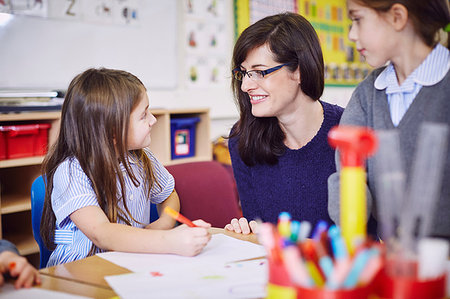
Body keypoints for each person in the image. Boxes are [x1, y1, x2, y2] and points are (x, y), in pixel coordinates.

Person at [40, 68, 211, 267]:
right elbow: (101, 233)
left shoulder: (142, 157)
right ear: (112, 131)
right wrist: (170, 241)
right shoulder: (71, 172)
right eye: (143, 115)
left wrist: (165, 222)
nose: (153, 120)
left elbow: (168, 194)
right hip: (80, 269)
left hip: (131, 261)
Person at [328, 0, 450, 240]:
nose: (352, 35)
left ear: (397, 17)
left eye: (358, 19)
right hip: (396, 257)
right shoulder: (367, 94)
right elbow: (349, 175)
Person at [224, 12, 344, 235]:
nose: (245, 86)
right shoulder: (243, 138)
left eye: (259, 72)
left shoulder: (349, 132)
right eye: (244, 74)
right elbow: (259, 232)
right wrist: (246, 231)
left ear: (298, 71)